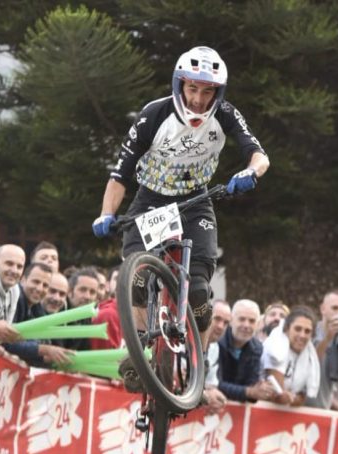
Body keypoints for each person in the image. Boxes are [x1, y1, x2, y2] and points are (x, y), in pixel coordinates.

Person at [92, 46, 269, 352]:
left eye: (208, 91)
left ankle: (200, 360)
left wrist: (251, 172)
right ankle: (140, 353)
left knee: (198, 292)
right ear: (180, 85)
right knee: (136, 279)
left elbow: (259, 154)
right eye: (192, 88)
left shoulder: (226, 114)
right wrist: (106, 213)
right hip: (151, 202)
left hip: (195, 202)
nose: (199, 99)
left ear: (218, 92)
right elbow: (120, 174)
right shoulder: (153, 115)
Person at [217, 299, 276, 403]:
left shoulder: (257, 348)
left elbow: (252, 385)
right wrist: (248, 392)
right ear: (231, 321)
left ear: (257, 325)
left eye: (252, 321)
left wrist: (261, 389)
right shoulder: (217, 342)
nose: (246, 325)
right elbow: (214, 384)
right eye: (242, 319)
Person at [262, 305, 320, 407]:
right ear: (287, 328)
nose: (302, 335)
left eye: (307, 331)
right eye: (298, 329)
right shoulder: (275, 344)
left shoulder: (309, 356)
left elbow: (302, 397)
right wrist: (289, 398)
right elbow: (278, 395)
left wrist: (292, 399)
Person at [202, 299, 231, 413]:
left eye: (226, 323)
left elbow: (211, 384)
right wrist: (205, 396)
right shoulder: (183, 341)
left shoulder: (215, 347)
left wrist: (214, 396)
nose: (220, 326)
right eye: (217, 319)